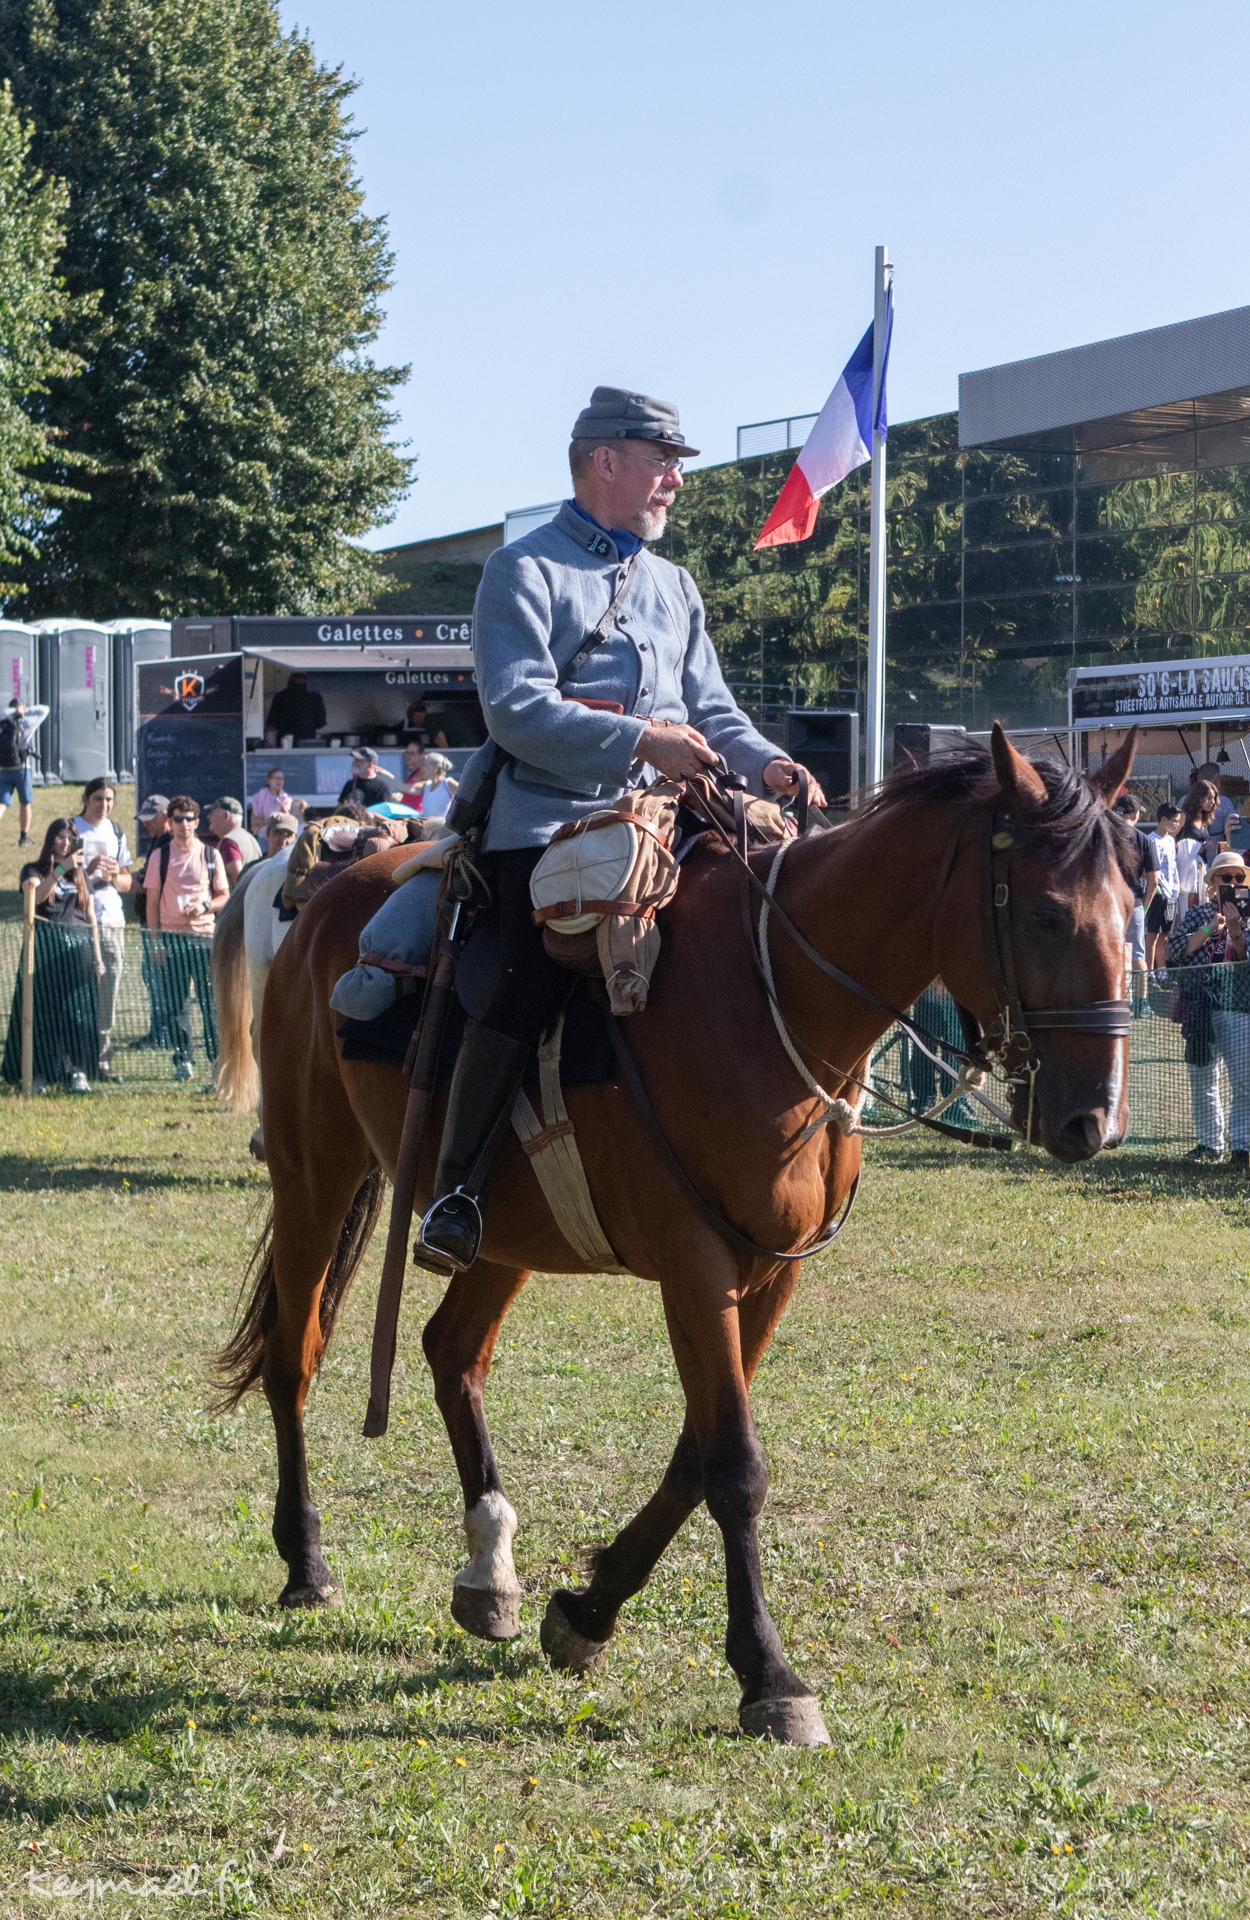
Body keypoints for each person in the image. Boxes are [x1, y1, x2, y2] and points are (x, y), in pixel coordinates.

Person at [411, 382, 826, 1273]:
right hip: (549, 828)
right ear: (606, 461)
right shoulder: (522, 570)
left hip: (673, 821)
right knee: (520, 979)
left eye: (676, 464)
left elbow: (713, 711)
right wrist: (641, 740)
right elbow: (516, 710)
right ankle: (458, 1193)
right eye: (662, 461)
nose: (676, 479)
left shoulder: (674, 584)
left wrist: (769, 765)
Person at [2, 819, 101, 1093]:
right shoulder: (33, 870)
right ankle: (38, 1073)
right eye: (60, 837)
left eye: (70, 838)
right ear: (50, 840)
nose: (65, 843)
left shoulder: (81, 876)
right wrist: (60, 869)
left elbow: (91, 916)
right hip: (43, 952)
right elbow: (36, 898)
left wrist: (97, 957)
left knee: (78, 1013)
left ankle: (77, 1071)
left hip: (79, 952)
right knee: (42, 1013)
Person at [1167, 848, 1250, 1165]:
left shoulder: (1249, 916)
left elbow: (1245, 963)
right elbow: (1175, 951)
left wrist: (1236, 931)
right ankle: (1210, 1144)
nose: (1233, 882)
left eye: (1239, 877)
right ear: (1213, 882)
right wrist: (1209, 929)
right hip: (1200, 1007)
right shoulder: (1196, 914)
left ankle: (1242, 1146)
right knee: (1202, 1079)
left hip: (1239, 1007)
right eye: (1226, 877)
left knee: (1244, 1081)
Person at [143, 795, 228, 1081]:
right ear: (170, 821)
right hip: (171, 939)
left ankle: (218, 1061)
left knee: (210, 1003)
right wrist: (155, 942)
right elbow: (151, 903)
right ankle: (183, 1061)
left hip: (204, 938)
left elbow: (224, 896)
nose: (183, 824)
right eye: (178, 819)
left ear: (197, 822)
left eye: (188, 819)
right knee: (177, 1004)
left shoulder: (211, 855)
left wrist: (205, 906)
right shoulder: (160, 856)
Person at [73, 778, 132, 1081]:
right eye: (98, 798)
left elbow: (127, 881)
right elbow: (60, 873)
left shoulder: (116, 831)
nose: (104, 805)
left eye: (109, 799)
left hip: (111, 919)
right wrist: (87, 871)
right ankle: (75, 1057)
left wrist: (113, 875)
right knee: (78, 988)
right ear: (85, 799)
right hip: (76, 918)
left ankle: (102, 1060)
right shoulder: (72, 829)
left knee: (109, 988)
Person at [130, 794, 172, 1050]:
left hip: (158, 923)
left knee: (158, 980)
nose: (145, 824)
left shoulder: (169, 843)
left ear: (165, 816)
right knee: (153, 978)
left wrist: (127, 881)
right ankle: (160, 1031)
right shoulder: (159, 840)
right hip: (150, 921)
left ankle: (162, 1034)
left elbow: (154, 885)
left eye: (149, 819)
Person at [1112, 795, 1159, 1014]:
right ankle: (1142, 1003)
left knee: (1108, 951)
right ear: (1137, 814)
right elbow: (1153, 880)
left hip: (1107, 903)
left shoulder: (1104, 836)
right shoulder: (1144, 840)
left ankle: (1113, 999)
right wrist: (1145, 906)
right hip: (1134, 902)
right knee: (1138, 955)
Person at [0, 696, 50, 846]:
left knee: (1, 803)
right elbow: (44, 709)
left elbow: (4, 712)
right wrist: (24, 711)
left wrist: (11, 711)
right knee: (25, 803)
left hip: (3, 768)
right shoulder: (27, 721)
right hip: (21, 768)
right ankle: (24, 838)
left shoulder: (3, 719)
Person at [1145, 803, 1181, 975]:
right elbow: (1146, 870)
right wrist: (1157, 889)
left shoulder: (1171, 841)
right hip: (1157, 892)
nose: (1176, 824)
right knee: (1153, 933)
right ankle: (1148, 971)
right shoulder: (1150, 840)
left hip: (1171, 893)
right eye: (1174, 820)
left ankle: (1162, 970)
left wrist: (1175, 888)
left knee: (1164, 934)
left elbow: (1173, 867)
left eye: (1178, 821)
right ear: (1163, 819)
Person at [209, 797, 262, 885]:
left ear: (226, 815)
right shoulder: (251, 839)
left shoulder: (229, 842)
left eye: (213, 813)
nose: (209, 816)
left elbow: (238, 882)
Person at [265, 671, 325, 743]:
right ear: (307, 681)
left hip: (285, 740)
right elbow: (320, 722)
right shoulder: (315, 696)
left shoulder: (280, 696)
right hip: (306, 740)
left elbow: (272, 723)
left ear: (289, 681)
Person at [249, 769, 290, 846]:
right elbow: (254, 820)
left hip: (281, 838)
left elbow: (289, 821)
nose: (279, 781)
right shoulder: (260, 797)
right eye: (276, 778)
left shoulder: (286, 799)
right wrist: (272, 821)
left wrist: (284, 811)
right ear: (269, 780)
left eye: (281, 779)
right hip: (264, 836)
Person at [416, 750, 458, 819]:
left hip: (444, 826)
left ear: (435, 766)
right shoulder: (427, 786)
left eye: (424, 764)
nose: (422, 768)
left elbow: (467, 795)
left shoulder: (448, 783)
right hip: (428, 826)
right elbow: (403, 787)